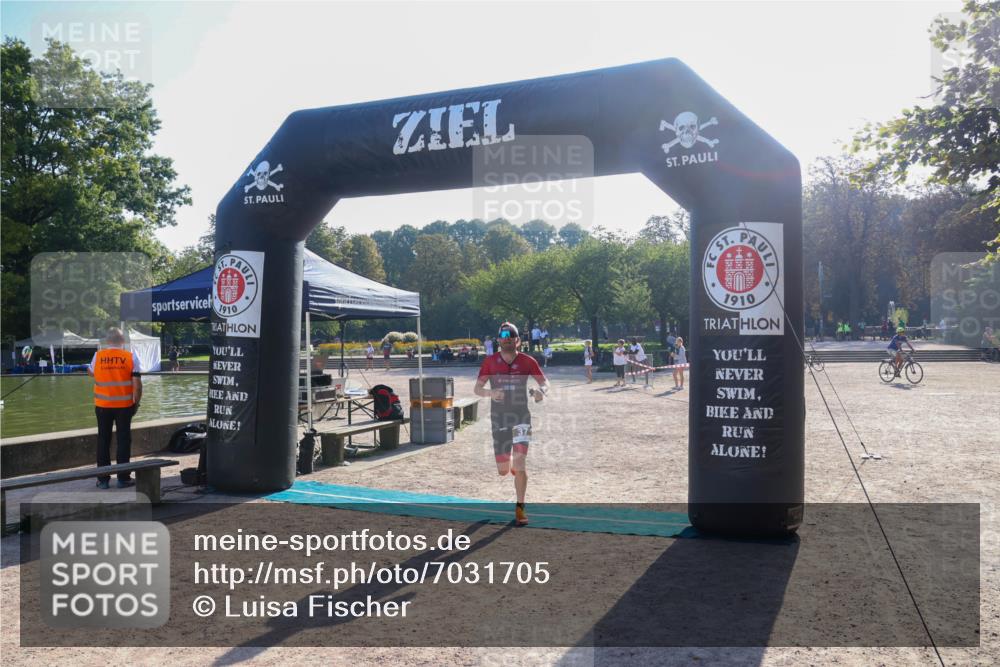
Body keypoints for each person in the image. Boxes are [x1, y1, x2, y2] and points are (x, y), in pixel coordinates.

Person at [474, 323, 549, 526]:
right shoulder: (490, 362)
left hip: (521, 417)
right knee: (502, 470)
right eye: (503, 336)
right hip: (499, 419)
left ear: (518, 340)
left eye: (511, 336)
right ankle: (513, 468)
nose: (506, 339)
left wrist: (542, 392)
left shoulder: (527, 361)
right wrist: (491, 393)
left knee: (520, 463)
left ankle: (520, 507)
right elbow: (477, 389)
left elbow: (544, 382)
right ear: (498, 340)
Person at [88, 328, 143, 489]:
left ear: (107, 341)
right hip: (124, 406)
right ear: (123, 341)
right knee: (123, 441)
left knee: (103, 440)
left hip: (102, 406)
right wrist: (136, 402)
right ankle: (123, 478)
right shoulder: (130, 356)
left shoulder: (98, 356)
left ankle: (103, 480)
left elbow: (91, 372)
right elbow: (137, 385)